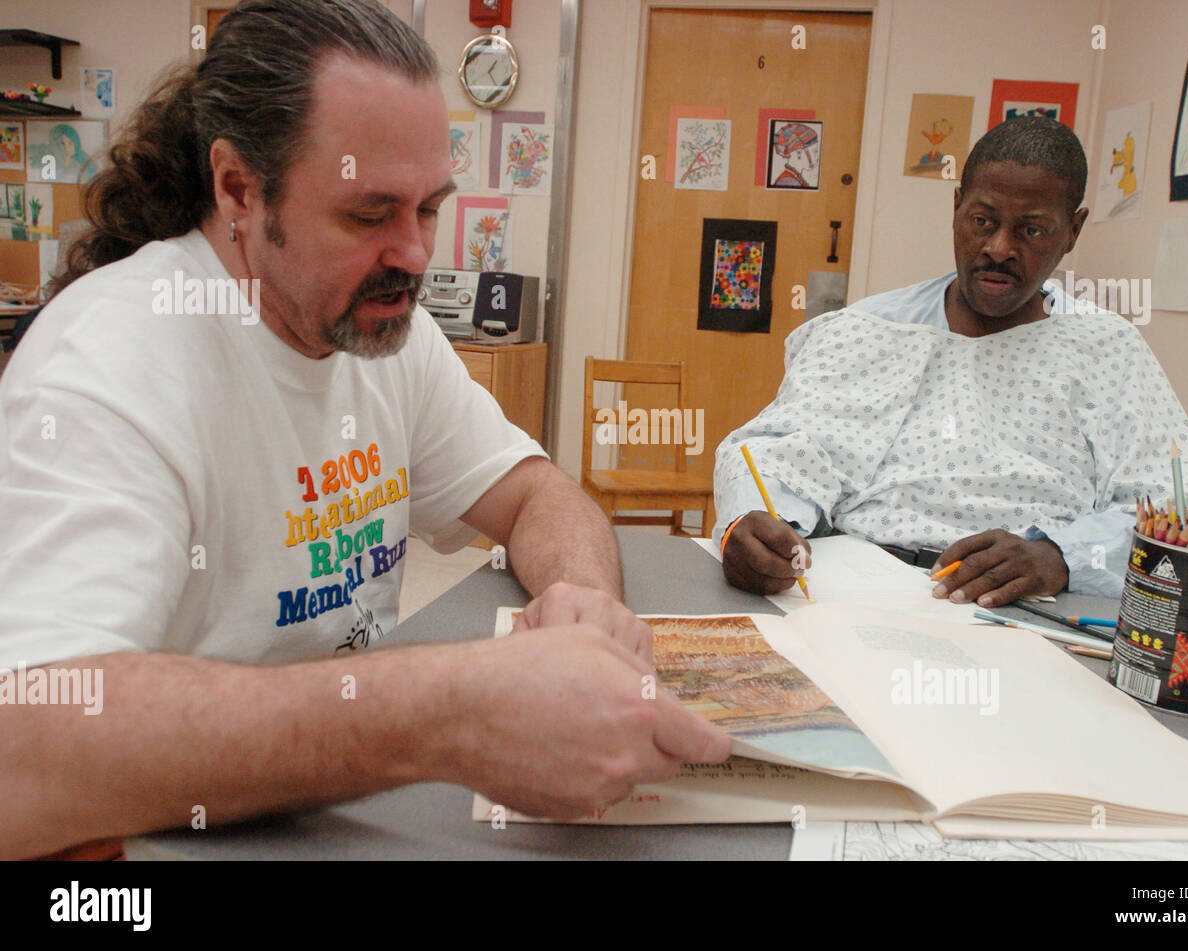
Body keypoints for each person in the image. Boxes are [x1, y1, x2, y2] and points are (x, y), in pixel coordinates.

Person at [0, 0, 728, 861]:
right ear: (238, 188)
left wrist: (585, 608)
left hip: (335, 819)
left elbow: (537, 492)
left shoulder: (385, 328)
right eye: (368, 212)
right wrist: (446, 711)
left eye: (429, 208)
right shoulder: (110, 361)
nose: (417, 253)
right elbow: (27, 751)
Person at [715, 116, 1188, 606]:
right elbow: (781, 453)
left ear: (1073, 230)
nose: (999, 249)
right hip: (854, 588)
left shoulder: (1107, 350)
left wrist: (1059, 559)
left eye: (1031, 230)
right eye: (982, 221)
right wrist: (757, 520)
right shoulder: (869, 329)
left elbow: (1172, 511)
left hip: (1031, 609)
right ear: (956, 208)